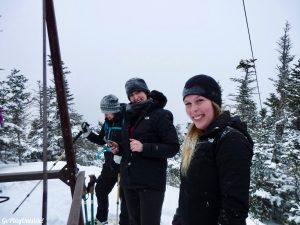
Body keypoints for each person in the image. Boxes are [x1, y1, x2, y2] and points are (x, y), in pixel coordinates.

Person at [172, 74, 253, 225]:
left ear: (214, 102)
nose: (193, 109)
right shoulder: (196, 138)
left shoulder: (230, 139)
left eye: (200, 101)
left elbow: (234, 209)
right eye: (188, 103)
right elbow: (187, 193)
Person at [110, 77, 180, 225]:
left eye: (138, 92)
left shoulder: (160, 115)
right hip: (129, 182)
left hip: (150, 184)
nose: (135, 97)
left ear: (146, 92)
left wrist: (144, 147)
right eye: (131, 95)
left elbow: (173, 147)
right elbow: (129, 145)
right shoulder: (128, 116)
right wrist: (119, 149)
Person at [80, 94, 129, 225]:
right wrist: (88, 133)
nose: (106, 115)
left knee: (125, 198)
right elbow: (102, 140)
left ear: (115, 110)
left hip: (123, 165)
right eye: (104, 112)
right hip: (109, 165)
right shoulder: (107, 122)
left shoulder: (126, 121)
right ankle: (102, 219)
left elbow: (131, 142)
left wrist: (121, 153)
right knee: (101, 190)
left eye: (108, 112)